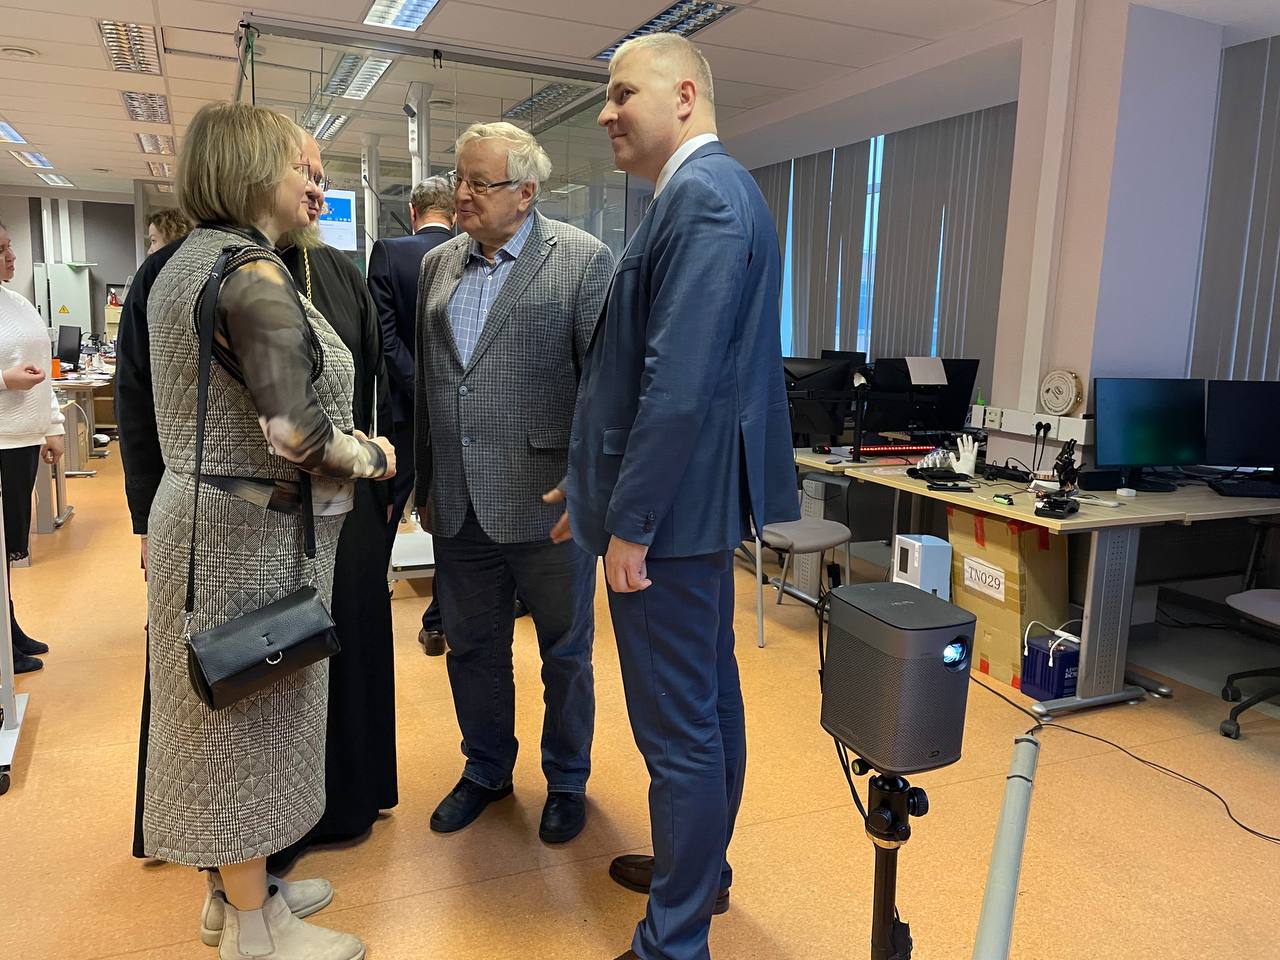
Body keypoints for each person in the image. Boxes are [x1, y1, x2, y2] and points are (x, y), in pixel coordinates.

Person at [553, 33, 798, 960]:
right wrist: (592, 482)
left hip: (671, 522)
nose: (606, 112)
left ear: (685, 95)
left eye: (623, 93)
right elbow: (646, 377)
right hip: (689, 509)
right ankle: (701, 876)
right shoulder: (713, 191)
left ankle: (675, 939)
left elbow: (679, 383)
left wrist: (633, 522)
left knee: (678, 730)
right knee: (708, 704)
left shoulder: (702, 197)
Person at [141, 101, 394, 960]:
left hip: (208, 518)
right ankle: (257, 930)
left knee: (223, 714)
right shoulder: (250, 273)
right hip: (242, 534)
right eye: (302, 168)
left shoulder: (187, 261)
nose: (313, 185)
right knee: (242, 725)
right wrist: (373, 455)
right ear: (254, 170)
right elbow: (297, 434)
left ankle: (239, 897)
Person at [414, 122, 613, 844]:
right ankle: (487, 768)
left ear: (526, 193)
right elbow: (433, 384)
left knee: (565, 653)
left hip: (548, 501)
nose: (461, 194)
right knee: (472, 647)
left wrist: (590, 487)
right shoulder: (437, 265)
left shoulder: (583, 261)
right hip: (458, 500)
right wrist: (424, 483)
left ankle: (567, 779)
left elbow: (604, 389)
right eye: (458, 179)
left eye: (480, 183)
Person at [367, 175, 454, 656]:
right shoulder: (470, 254)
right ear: (454, 213)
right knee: (450, 515)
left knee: (385, 511)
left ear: (414, 212)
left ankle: (368, 610)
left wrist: (417, 387)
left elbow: (383, 337)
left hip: (403, 412)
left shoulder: (389, 253)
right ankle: (439, 621)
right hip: (459, 412)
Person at [0, 219, 65, 674]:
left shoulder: (15, 302)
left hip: (22, 440)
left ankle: (8, 630)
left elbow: (43, 368)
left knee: (8, 546)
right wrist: (4, 380)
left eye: (9, 246)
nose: (11, 256)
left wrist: (53, 425)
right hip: (1, 439)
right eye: (0, 249)